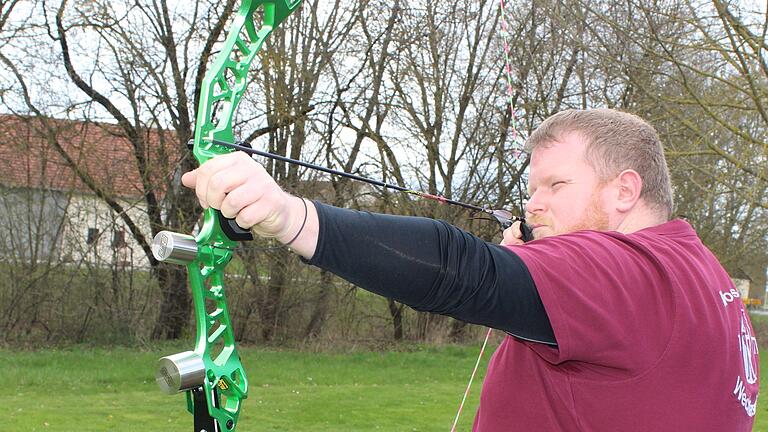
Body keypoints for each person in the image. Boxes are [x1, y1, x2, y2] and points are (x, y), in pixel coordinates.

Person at [182, 108, 758, 431]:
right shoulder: (701, 274)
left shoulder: (626, 273)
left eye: (557, 186)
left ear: (625, 190)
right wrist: (532, 271)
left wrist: (290, 216)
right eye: (532, 188)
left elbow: (462, 270)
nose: (534, 204)